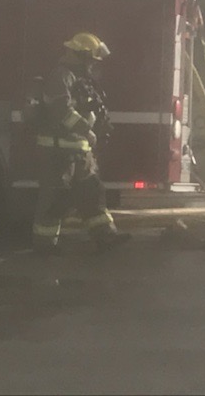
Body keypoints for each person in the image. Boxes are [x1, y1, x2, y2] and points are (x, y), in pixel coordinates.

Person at [31, 32, 131, 255]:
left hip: (79, 150)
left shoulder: (81, 79)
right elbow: (61, 111)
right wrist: (86, 130)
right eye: (91, 60)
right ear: (81, 56)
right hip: (58, 151)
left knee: (93, 193)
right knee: (55, 199)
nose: (93, 65)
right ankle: (45, 246)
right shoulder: (61, 76)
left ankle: (105, 237)